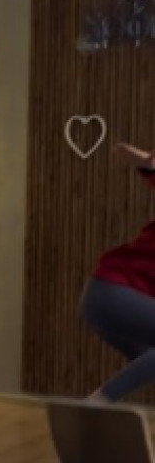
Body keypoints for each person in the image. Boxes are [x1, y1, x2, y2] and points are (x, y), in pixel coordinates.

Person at [81, 141, 155, 402]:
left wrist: (146, 163)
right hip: (115, 294)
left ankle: (99, 407)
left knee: (148, 361)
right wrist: (147, 162)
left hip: (100, 297)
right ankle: (94, 404)